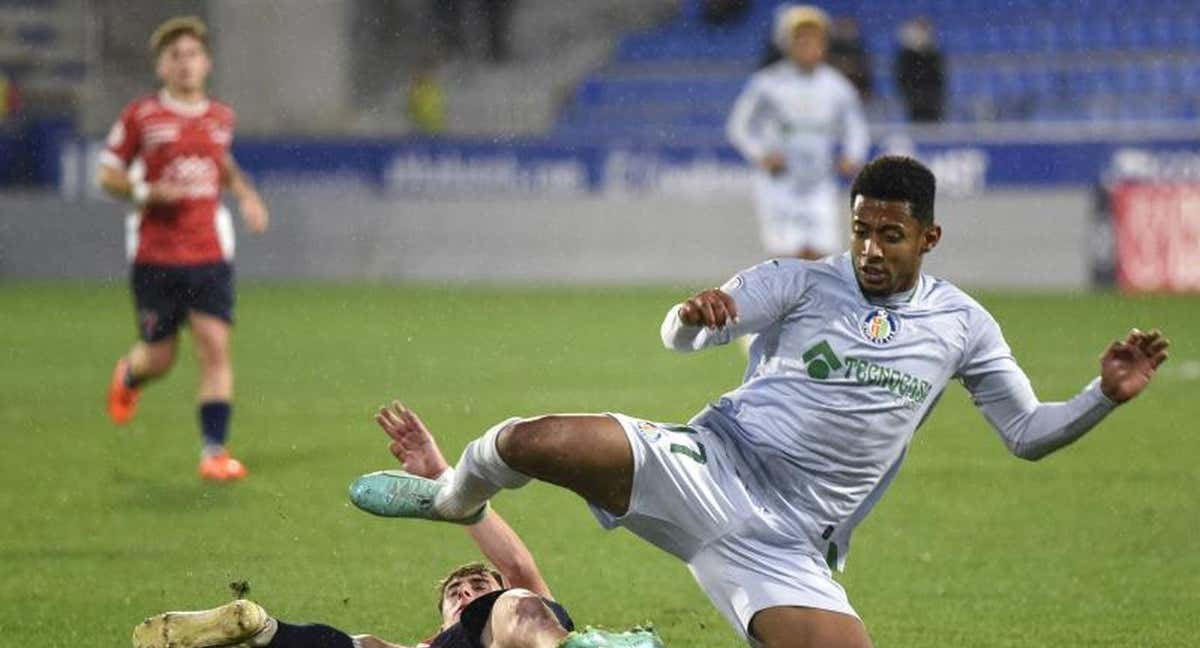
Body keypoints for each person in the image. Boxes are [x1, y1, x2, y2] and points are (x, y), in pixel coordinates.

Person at [349, 156, 1171, 648]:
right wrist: (690, 315)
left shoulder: (965, 325)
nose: (870, 250)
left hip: (788, 544)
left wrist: (1104, 394)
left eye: (890, 235)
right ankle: (450, 495)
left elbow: (1027, 433)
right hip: (709, 462)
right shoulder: (799, 280)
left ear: (929, 238)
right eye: (860, 230)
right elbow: (683, 338)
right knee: (526, 439)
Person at [133, 401, 664, 648]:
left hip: (517, 638)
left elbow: (515, 566)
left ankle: (266, 634)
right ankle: (257, 629)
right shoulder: (436, 645)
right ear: (440, 616)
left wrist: (441, 475)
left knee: (517, 604)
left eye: (476, 582)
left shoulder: (508, 603)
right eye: (459, 589)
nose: (469, 588)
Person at [99, 16, 269, 481]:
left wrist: (248, 195)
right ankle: (130, 375)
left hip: (209, 254)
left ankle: (214, 451)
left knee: (215, 350)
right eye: (175, 56)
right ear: (162, 67)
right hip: (157, 256)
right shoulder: (142, 116)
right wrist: (145, 192)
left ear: (206, 62)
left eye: (192, 54)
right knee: (160, 357)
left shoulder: (220, 118)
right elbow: (107, 173)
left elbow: (224, 164)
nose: (185, 64)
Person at [728, 4, 869, 261]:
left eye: (814, 39)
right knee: (784, 258)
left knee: (822, 257)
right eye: (800, 40)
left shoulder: (837, 86)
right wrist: (761, 154)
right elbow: (739, 126)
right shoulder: (767, 83)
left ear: (824, 44)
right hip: (779, 182)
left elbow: (856, 127)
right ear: (788, 44)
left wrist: (852, 155)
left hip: (820, 181)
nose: (808, 46)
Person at [894, 17, 945, 123]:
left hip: (932, 98)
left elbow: (939, 76)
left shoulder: (933, 53)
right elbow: (902, 76)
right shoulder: (905, 55)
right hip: (913, 99)